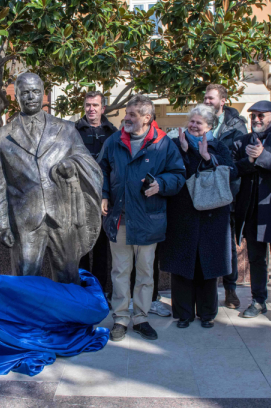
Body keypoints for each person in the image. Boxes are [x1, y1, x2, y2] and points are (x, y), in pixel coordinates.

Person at [0, 73, 103, 286]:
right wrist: (3, 226)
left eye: (35, 92)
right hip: (25, 221)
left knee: (68, 278)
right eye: (25, 92)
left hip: (62, 217)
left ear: (43, 94)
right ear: (17, 97)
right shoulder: (2, 136)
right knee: (26, 280)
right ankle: (28, 320)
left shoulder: (67, 129)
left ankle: (68, 319)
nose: (31, 96)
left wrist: (73, 165)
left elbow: (87, 161)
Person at [98, 94, 185, 342]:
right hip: (120, 219)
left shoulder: (164, 144)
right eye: (127, 113)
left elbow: (178, 175)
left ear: (147, 118)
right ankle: (121, 318)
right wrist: (104, 194)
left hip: (149, 220)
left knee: (146, 274)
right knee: (120, 272)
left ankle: (141, 318)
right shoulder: (114, 140)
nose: (126, 118)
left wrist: (161, 183)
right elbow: (101, 169)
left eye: (133, 114)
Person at [159, 104, 237, 329]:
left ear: (209, 127)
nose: (193, 125)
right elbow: (171, 173)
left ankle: (207, 314)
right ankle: (183, 314)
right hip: (182, 215)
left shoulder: (218, 146)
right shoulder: (175, 145)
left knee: (207, 267)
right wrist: (183, 153)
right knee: (183, 267)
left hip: (211, 217)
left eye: (199, 123)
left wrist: (207, 157)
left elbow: (232, 172)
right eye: (191, 121)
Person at [232, 101, 271, 323]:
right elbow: (233, 169)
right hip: (251, 209)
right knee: (256, 259)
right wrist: (249, 160)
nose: (256, 119)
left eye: (261, 115)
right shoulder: (242, 141)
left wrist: (263, 156)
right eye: (252, 116)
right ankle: (258, 301)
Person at [203, 84, 247, 310]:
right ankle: (205, 290)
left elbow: (239, 160)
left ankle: (230, 289)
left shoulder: (237, 126)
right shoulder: (200, 120)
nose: (207, 101)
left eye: (211, 98)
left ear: (223, 100)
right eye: (205, 98)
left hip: (228, 191)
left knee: (228, 244)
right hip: (203, 192)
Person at [75, 91, 118, 291]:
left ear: (103, 108)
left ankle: (100, 291)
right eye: (88, 105)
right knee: (81, 248)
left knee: (102, 248)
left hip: (104, 198)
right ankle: (83, 291)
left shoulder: (113, 132)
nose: (91, 109)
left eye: (95, 105)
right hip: (79, 197)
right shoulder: (73, 131)